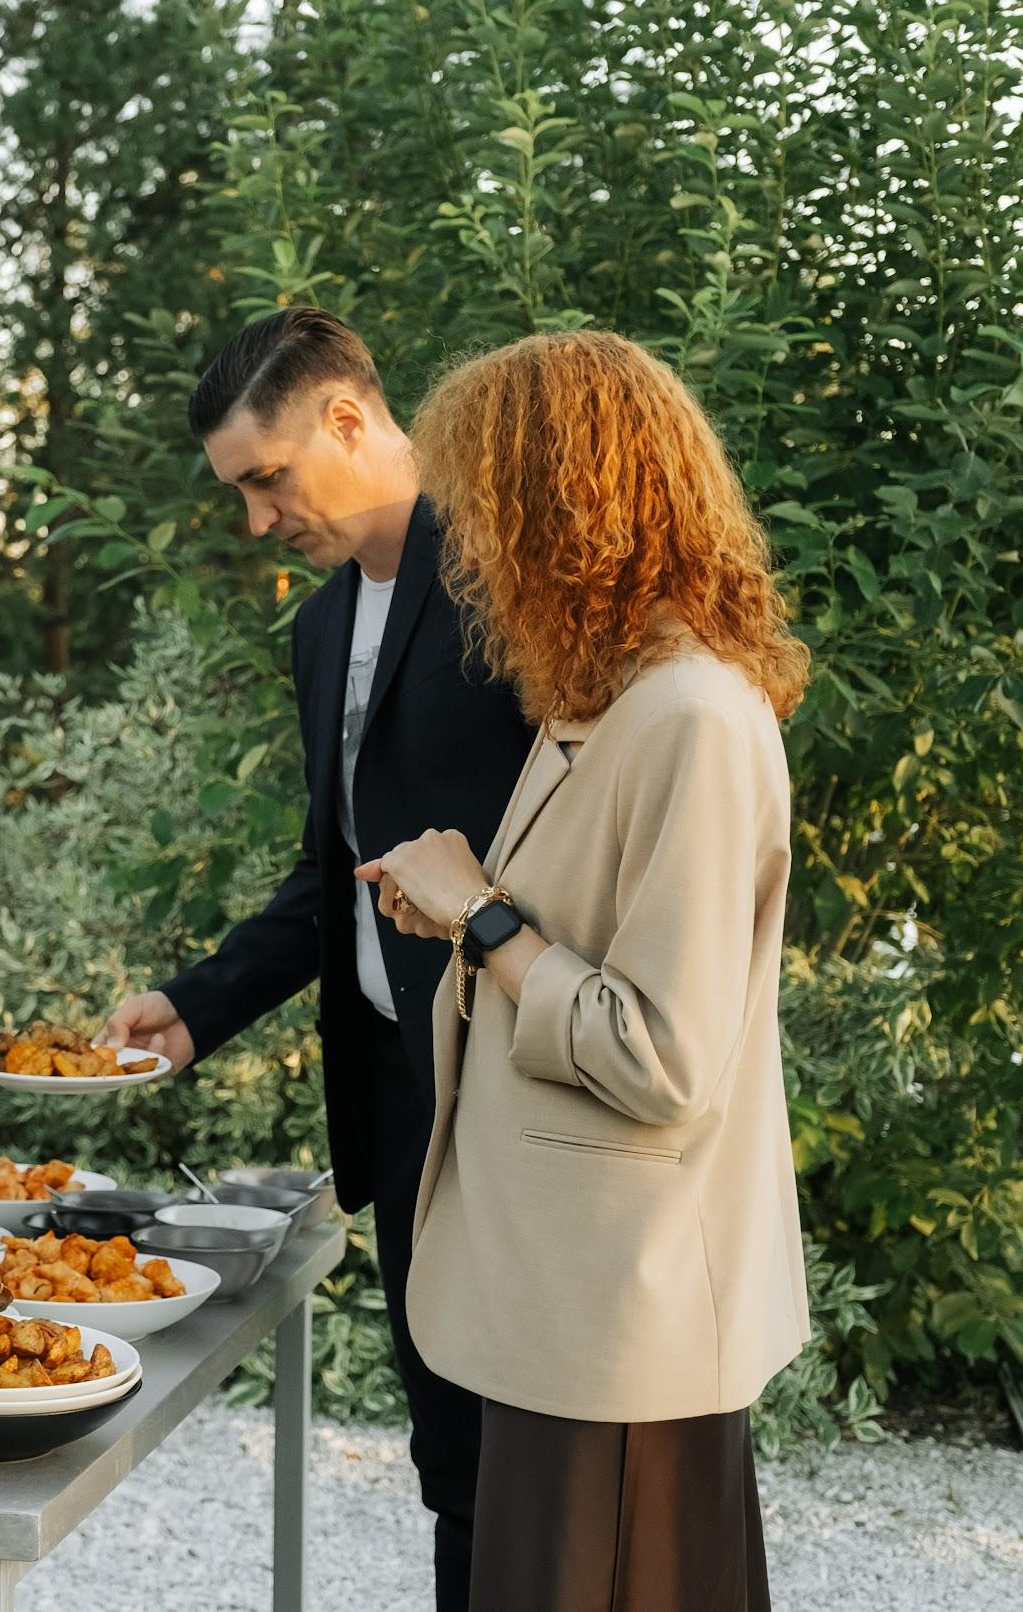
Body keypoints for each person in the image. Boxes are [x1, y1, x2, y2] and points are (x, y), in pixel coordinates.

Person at [360, 329, 812, 1612]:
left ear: (563, 511)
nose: (470, 553)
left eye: (485, 512)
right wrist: (456, 911)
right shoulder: (605, 701)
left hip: (627, 1314)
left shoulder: (692, 719)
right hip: (569, 1302)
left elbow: (660, 1054)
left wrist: (487, 918)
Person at [98, 307, 535, 1610]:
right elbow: (332, 869)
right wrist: (194, 1002)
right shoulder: (319, 626)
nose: (255, 522)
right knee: (449, 1448)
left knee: (533, 1451)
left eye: (266, 480)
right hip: (401, 1103)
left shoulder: (514, 574)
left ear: (349, 418)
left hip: (520, 1082)